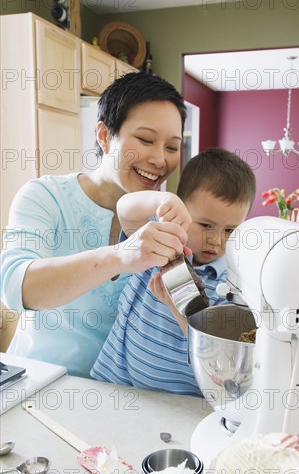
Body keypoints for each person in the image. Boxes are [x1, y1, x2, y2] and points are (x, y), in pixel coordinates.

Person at [0, 72, 188, 378]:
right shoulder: (45, 196)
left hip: (118, 402)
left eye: (171, 147)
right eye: (145, 139)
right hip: (35, 387)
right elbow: (15, 288)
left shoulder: (163, 220)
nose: (159, 159)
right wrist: (121, 255)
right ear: (104, 136)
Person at [91, 148, 256, 395]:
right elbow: (124, 208)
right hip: (118, 380)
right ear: (181, 209)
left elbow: (215, 354)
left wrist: (178, 308)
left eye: (230, 230)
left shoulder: (230, 284)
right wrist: (161, 201)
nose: (215, 239)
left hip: (181, 401)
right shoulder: (156, 240)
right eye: (206, 225)